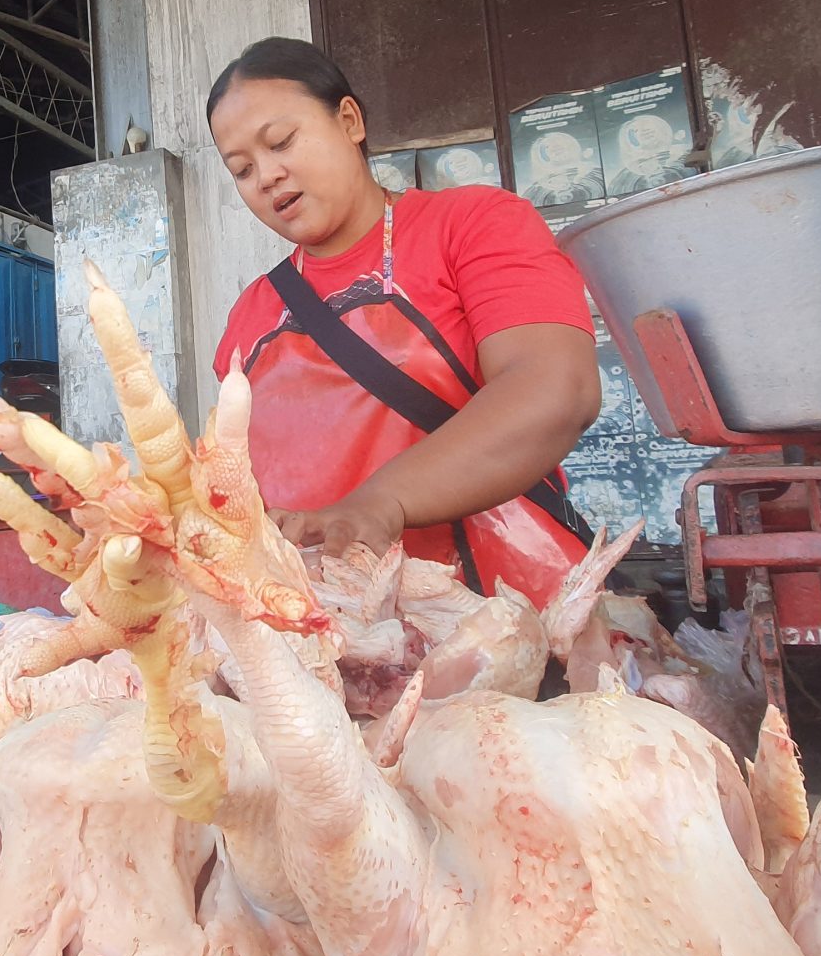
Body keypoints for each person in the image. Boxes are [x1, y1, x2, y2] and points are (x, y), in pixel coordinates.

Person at [208, 38, 603, 607]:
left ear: (348, 120)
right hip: (329, 632)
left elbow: (555, 389)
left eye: (282, 142)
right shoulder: (250, 315)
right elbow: (235, 487)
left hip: (504, 615)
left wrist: (382, 501)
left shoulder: (472, 225)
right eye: (242, 170)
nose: (266, 176)